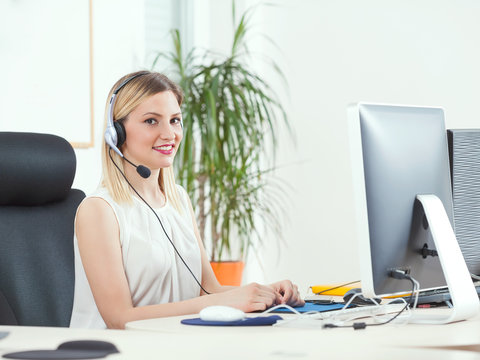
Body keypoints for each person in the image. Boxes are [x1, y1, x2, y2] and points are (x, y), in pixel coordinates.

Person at [69, 70, 304, 329]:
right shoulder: (99, 210)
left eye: (175, 120)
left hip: (173, 346)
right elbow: (119, 318)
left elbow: (208, 290)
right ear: (116, 133)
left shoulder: (178, 199)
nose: (169, 134)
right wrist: (228, 302)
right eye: (151, 121)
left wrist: (266, 293)